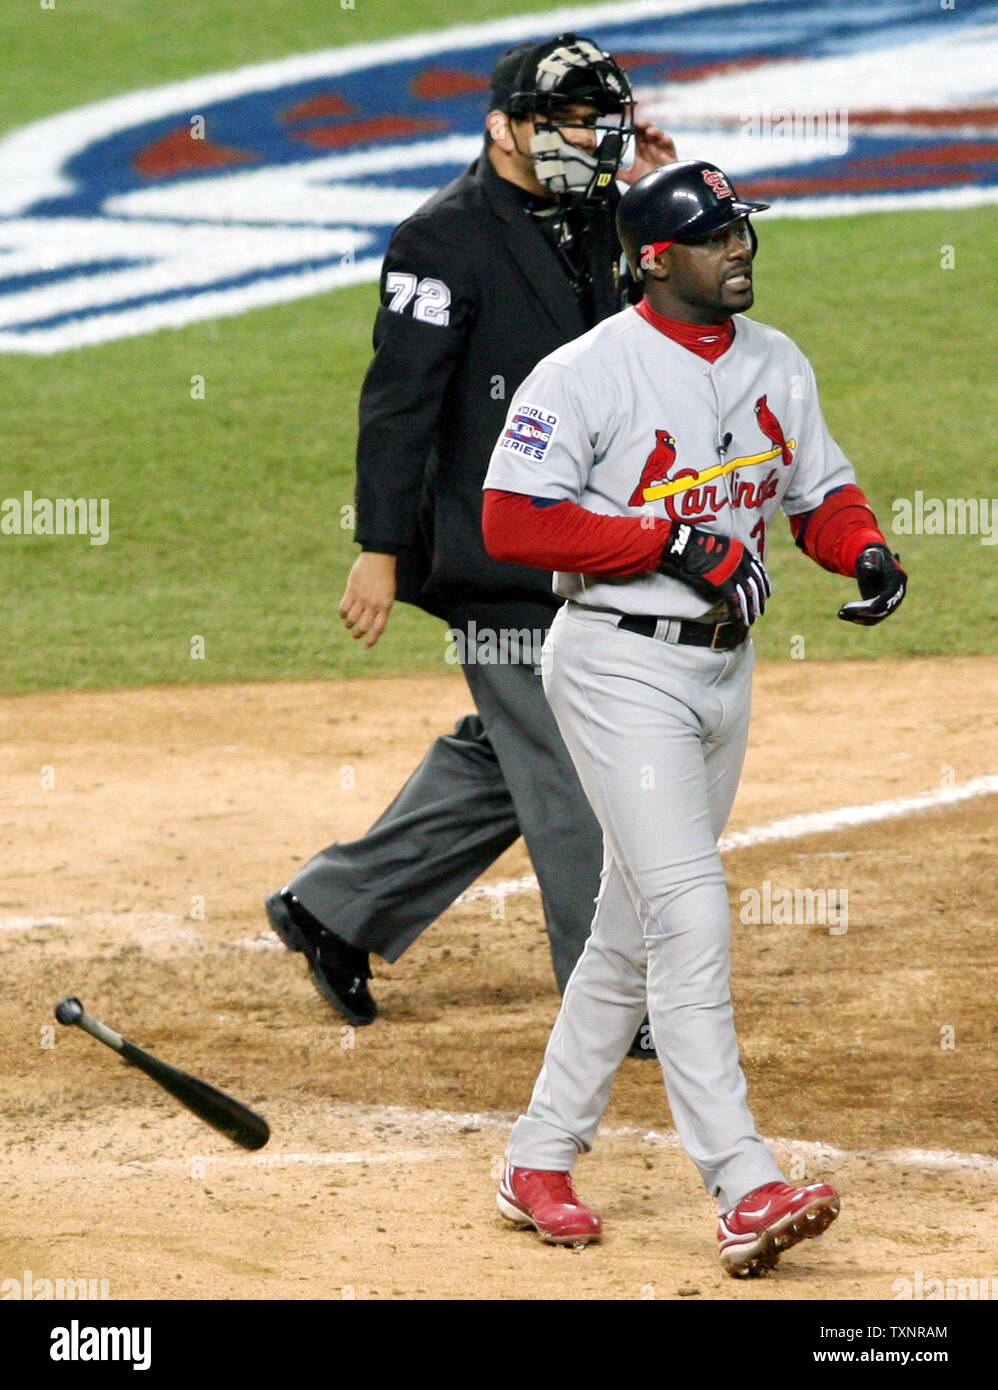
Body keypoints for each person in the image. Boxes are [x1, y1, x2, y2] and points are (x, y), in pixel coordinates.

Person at [482, 159, 907, 1276]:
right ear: (655, 258)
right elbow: (510, 521)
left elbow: (816, 492)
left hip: (723, 676)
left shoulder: (776, 362)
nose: (741, 252)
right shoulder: (584, 375)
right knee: (690, 910)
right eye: (717, 238)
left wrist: (859, 548)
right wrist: (666, 541)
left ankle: (536, 1155)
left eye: (742, 234)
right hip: (617, 668)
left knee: (630, 924)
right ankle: (742, 1183)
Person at [264, 35, 675, 1033]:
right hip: (499, 556)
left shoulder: (594, 218)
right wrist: (378, 544)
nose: (593, 137)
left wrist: (657, 202)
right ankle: (611, 998)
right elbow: (396, 405)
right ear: (504, 127)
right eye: (571, 120)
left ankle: (333, 908)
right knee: (582, 766)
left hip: (587, 541)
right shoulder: (438, 242)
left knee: (517, 752)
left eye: (599, 118)